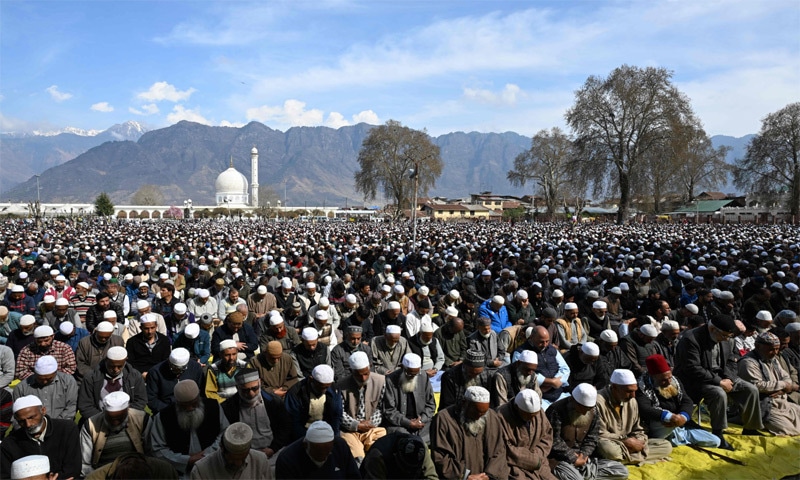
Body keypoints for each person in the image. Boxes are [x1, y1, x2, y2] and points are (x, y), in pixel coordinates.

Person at [674, 313, 763, 448]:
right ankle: (718, 432)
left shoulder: (728, 338)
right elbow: (693, 368)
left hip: (722, 375)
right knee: (718, 393)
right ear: (712, 329)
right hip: (696, 380)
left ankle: (750, 426)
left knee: (750, 389)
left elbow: (732, 360)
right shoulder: (691, 339)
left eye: (729, 336)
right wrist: (719, 382)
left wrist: (729, 378)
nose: (727, 339)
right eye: (724, 336)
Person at [546, 383, 630, 480]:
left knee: (621, 471)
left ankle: (583, 475)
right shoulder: (556, 410)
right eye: (582, 408)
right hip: (560, 460)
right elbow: (553, 440)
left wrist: (584, 454)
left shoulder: (593, 410)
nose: (585, 413)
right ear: (573, 400)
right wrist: (573, 458)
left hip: (584, 459)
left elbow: (592, 438)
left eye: (588, 409)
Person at [636, 354, 720, 448]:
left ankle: (677, 438)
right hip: (660, 425)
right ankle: (675, 438)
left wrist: (683, 417)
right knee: (665, 424)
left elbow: (687, 401)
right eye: (664, 380)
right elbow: (645, 409)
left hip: (680, 425)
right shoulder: (641, 386)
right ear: (653, 376)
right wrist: (669, 417)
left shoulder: (675, 381)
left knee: (716, 441)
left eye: (669, 377)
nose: (668, 382)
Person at [148, 379, 229, 476]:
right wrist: (186, 460)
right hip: (180, 473)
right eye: (184, 406)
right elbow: (157, 448)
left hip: (213, 466)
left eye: (194, 403)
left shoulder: (214, 407)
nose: (190, 408)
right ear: (177, 402)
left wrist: (208, 453)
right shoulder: (163, 416)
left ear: (198, 397)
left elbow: (225, 433)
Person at [429, 385, 510, 480]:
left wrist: (488, 475)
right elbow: (440, 456)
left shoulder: (492, 417)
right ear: (464, 403)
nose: (479, 416)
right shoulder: (444, 419)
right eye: (476, 412)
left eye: (483, 413)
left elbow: (499, 451)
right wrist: (465, 476)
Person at [595, 369, 672, 465]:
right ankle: (638, 458)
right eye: (629, 391)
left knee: (666, 446)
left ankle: (621, 461)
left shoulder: (631, 401)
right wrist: (625, 440)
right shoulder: (598, 402)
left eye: (635, 391)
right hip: (612, 443)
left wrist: (638, 441)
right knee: (607, 449)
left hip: (628, 446)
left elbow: (638, 429)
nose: (633, 395)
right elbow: (599, 434)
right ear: (614, 387)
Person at [1, 396, 81, 479]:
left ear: (43, 411)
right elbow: (5, 476)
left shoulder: (66, 429)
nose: (28, 424)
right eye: (21, 421)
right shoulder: (9, 444)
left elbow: (73, 469)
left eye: (31, 417)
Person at [738, 331, 800, 435]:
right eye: (771, 349)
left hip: (782, 404)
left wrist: (783, 388)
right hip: (765, 406)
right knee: (788, 429)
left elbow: (786, 377)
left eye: (776, 349)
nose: (775, 352)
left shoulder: (773, 359)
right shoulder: (748, 362)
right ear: (757, 346)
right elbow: (757, 386)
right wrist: (784, 385)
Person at [221, 369, 289, 461]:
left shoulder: (273, 402)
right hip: (243, 457)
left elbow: (284, 428)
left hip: (273, 454)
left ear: (259, 383)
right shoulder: (229, 407)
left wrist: (272, 449)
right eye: (245, 390)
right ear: (237, 388)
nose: (251, 394)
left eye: (254, 388)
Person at [80, 391, 151, 476]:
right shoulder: (91, 424)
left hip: (137, 471)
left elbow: (151, 453)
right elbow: (84, 464)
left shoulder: (142, 419)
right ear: (104, 412)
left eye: (119, 418)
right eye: (111, 418)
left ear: (127, 410)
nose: (115, 422)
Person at [337, 351, 387, 462]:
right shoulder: (341, 385)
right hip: (350, 431)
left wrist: (370, 423)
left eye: (366, 374)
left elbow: (382, 408)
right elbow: (339, 412)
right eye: (359, 375)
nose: (363, 378)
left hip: (372, 428)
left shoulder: (381, 381)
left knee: (377, 453)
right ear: (351, 371)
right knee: (358, 457)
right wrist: (357, 425)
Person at [497, 389, 556, 480]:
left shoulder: (539, 412)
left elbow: (546, 436)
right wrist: (531, 459)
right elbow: (504, 448)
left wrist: (537, 455)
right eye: (528, 415)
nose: (532, 419)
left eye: (534, 415)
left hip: (539, 461)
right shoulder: (500, 416)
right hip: (513, 464)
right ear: (517, 407)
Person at [274, 420, 360, 479]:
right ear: (305, 445)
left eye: (327, 452)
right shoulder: (287, 458)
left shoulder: (340, 446)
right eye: (318, 454)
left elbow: (353, 475)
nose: (324, 457)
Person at [77, 345, 147, 418]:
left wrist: (124, 416)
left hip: (127, 418)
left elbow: (141, 401)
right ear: (106, 360)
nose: (115, 369)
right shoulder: (91, 378)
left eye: (119, 366)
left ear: (125, 360)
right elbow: (85, 405)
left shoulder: (134, 376)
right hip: (98, 420)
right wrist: (103, 419)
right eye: (111, 366)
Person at [515, 325, 571, 409]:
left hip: (559, 393)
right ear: (532, 337)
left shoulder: (551, 349)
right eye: (541, 342)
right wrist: (549, 382)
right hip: (540, 397)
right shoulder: (521, 353)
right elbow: (522, 374)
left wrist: (554, 382)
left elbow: (565, 369)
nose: (545, 345)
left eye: (547, 341)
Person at [190, 422, 271, 480]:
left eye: (243, 458)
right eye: (233, 459)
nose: (238, 463)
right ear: (222, 448)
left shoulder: (260, 461)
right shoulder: (201, 470)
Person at [284, 364, 343, 441]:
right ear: (311, 379)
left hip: (327, 432)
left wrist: (334, 437)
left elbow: (336, 416)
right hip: (304, 435)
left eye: (327, 387)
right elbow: (293, 422)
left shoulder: (334, 390)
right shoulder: (296, 393)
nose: (324, 391)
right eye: (321, 387)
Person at [12, 355, 78, 421]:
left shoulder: (68, 382)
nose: (44, 381)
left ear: (55, 373)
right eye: (40, 379)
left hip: (62, 425)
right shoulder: (22, 387)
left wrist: (57, 425)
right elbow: (16, 413)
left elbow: (71, 407)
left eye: (49, 379)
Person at [146, 347, 205, 414]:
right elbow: (151, 399)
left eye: (179, 369)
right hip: (165, 411)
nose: (176, 371)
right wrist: (170, 410)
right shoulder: (155, 372)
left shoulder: (196, 368)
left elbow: (202, 392)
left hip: (192, 409)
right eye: (173, 367)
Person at [360, 432, 438, 480]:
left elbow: (431, 476)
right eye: (406, 468)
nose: (408, 471)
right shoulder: (378, 455)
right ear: (395, 455)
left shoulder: (421, 449)